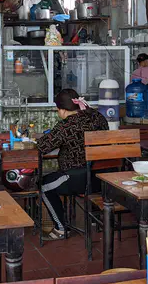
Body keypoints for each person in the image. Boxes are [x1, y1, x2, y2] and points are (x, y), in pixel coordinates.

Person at [36, 89, 108, 240]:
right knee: (56, 179)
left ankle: (60, 229)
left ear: (62, 110)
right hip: (103, 178)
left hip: (78, 178)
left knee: (43, 185)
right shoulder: (97, 117)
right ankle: (96, 221)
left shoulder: (66, 126)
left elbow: (42, 147)